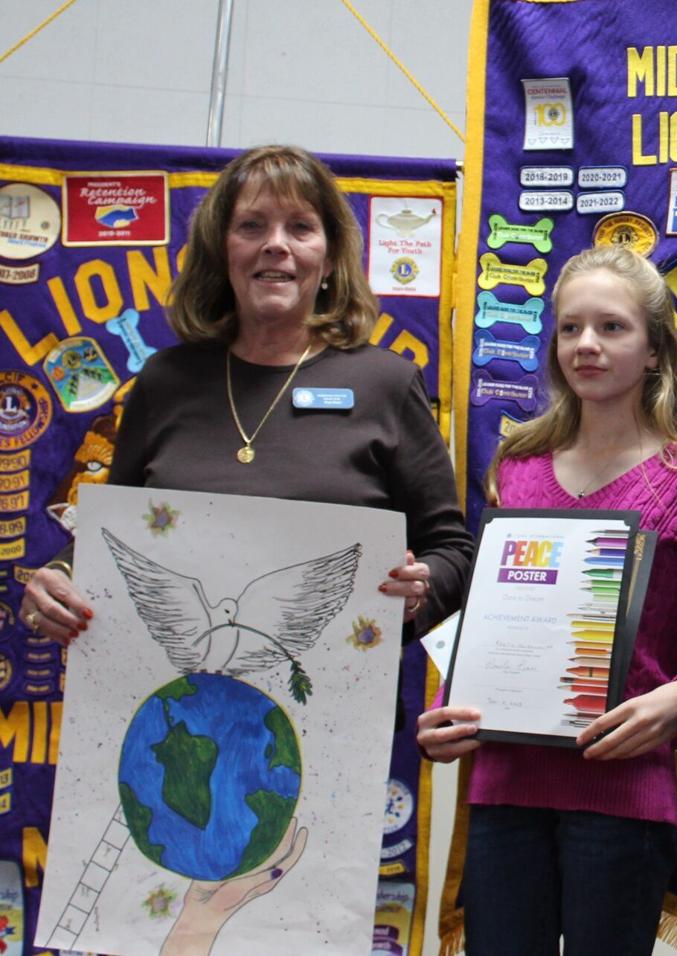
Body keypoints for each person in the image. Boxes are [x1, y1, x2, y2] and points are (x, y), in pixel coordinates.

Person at [17, 145, 473, 945]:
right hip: (167, 740)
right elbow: (112, 544)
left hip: (315, 743)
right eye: (252, 226)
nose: (276, 247)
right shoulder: (166, 381)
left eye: (300, 228)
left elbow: (452, 549)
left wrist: (419, 586)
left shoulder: (383, 383)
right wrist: (57, 580)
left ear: (329, 254)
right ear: (220, 249)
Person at [417, 245, 677, 956]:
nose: (586, 344)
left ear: (654, 349)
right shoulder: (518, 465)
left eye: (611, 327)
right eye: (570, 328)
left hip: (622, 790)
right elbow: (496, 614)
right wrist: (450, 706)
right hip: (505, 786)